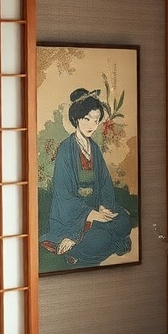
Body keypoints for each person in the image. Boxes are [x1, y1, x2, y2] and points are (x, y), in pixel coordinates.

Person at [40, 87, 132, 267]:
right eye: (87, 119)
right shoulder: (66, 150)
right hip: (72, 216)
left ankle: (97, 241)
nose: (92, 125)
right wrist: (90, 215)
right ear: (76, 119)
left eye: (96, 120)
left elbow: (105, 182)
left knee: (124, 222)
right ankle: (74, 246)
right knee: (97, 242)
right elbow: (63, 195)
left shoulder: (94, 148)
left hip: (95, 207)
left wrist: (104, 207)